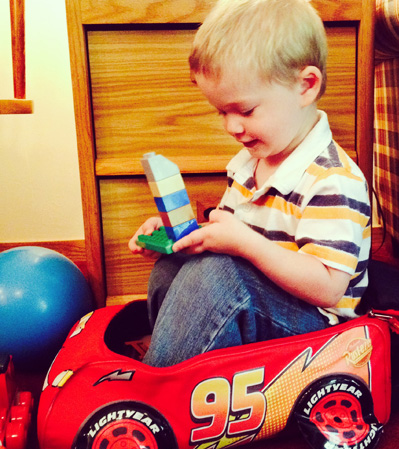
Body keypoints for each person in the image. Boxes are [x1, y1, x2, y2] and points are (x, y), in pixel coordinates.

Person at [129, 0, 371, 367]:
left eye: (245, 111)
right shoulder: (248, 163)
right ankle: (175, 352)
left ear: (305, 86)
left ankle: (160, 386)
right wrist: (177, 236)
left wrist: (245, 245)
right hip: (262, 300)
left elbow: (327, 286)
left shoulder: (332, 179)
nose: (231, 127)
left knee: (216, 276)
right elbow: (225, 237)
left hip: (318, 332)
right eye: (221, 112)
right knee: (173, 267)